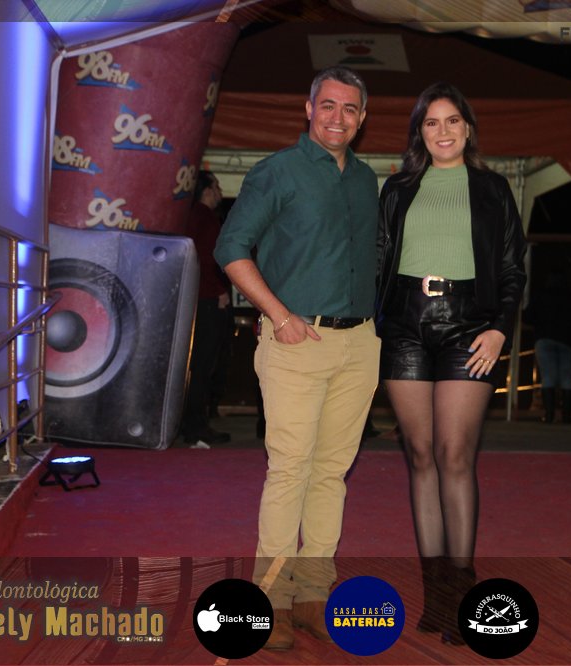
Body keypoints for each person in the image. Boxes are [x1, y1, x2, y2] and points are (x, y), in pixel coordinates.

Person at [214, 66, 380, 650]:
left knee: (331, 473)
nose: (338, 117)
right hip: (295, 341)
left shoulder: (366, 180)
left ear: (362, 118)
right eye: (327, 105)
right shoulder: (276, 172)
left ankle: (312, 594)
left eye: (350, 108)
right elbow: (230, 248)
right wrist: (279, 316)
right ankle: (271, 599)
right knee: (290, 470)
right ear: (308, 109)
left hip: (360, 344)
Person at [376, 82, 527, 643]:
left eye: (452, 121)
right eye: (431, 122)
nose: (442, 131)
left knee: (454, 455)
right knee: (420, 457)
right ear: (419, 132)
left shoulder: (493, 188)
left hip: (471, 326)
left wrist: (500, 328)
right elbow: (377, 260)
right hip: (405, 326)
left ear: (468, 127)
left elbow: (512, 268)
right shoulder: (397, 189)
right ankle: (437, 598)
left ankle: (466, 596)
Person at [181, 170, 232, 448]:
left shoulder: (190, 216)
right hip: (207, 299)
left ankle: (192, 424)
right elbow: (207, 259)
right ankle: (196, 427)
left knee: (194, 365)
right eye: (217, 186)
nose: (220, 192)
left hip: (192, 299)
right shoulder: (206, 218)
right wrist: (218, 291)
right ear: (207, 190)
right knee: (203, 364)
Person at [525, 262, 571, 423]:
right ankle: (566, 416)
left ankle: (549, 415)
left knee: (548, 376)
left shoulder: (541, 295)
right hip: (567, 340)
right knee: (567, 377)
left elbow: (528, 316)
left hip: (544, 338)